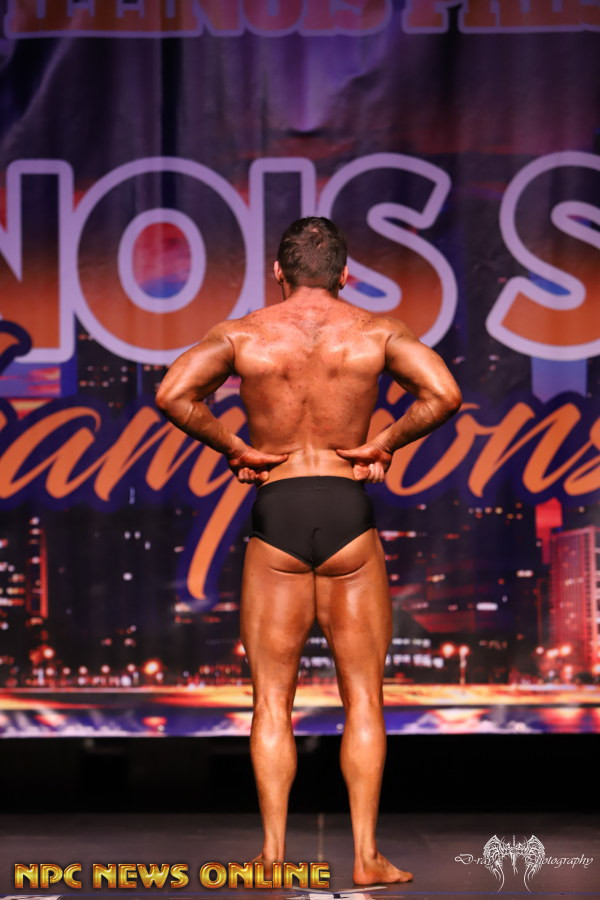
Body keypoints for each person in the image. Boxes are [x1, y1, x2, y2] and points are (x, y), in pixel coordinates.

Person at [156, 217, 462, 885]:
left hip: (278, 511)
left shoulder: (243, 334)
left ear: (278, 272)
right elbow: (443, 394)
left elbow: (172, 393)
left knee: (271, 701)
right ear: (346, 274)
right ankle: (366, 856)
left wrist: (236, 447)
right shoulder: (376, 332)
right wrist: (384, 443)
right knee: (365, 698)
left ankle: (272, 857)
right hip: (347, 511)